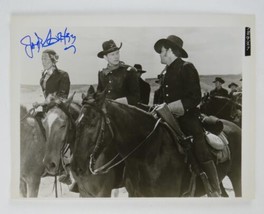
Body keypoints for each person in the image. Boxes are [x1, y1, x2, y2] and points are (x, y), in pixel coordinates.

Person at [154, 35, 221, 196]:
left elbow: (194, 97)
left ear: (169, 50)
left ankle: (214, 186)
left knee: (199, 145)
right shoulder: (166, 72)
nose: (160, 55)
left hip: (187, 117)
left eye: (161, 51)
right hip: (166, 118)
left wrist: (169, 107)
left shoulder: (186, 67)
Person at [32, 49, 72, 185]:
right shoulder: (43, 77)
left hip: (59, 109)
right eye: (42, 59)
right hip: (46, 109)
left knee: (62, 133)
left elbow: (62, 97)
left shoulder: (63, 75)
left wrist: (43, 103)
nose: (43, 61)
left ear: (53, 60)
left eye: (46, 59)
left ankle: (66, 168)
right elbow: (44, 94)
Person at [97, 40, 140, 106]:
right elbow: (99, 94)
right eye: (112, 54)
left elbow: (136, 97)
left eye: (117, 53)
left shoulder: (129, 71)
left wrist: (121, 101)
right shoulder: (102, 74)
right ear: (105, 57)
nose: (116, 57)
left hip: (125, 112)